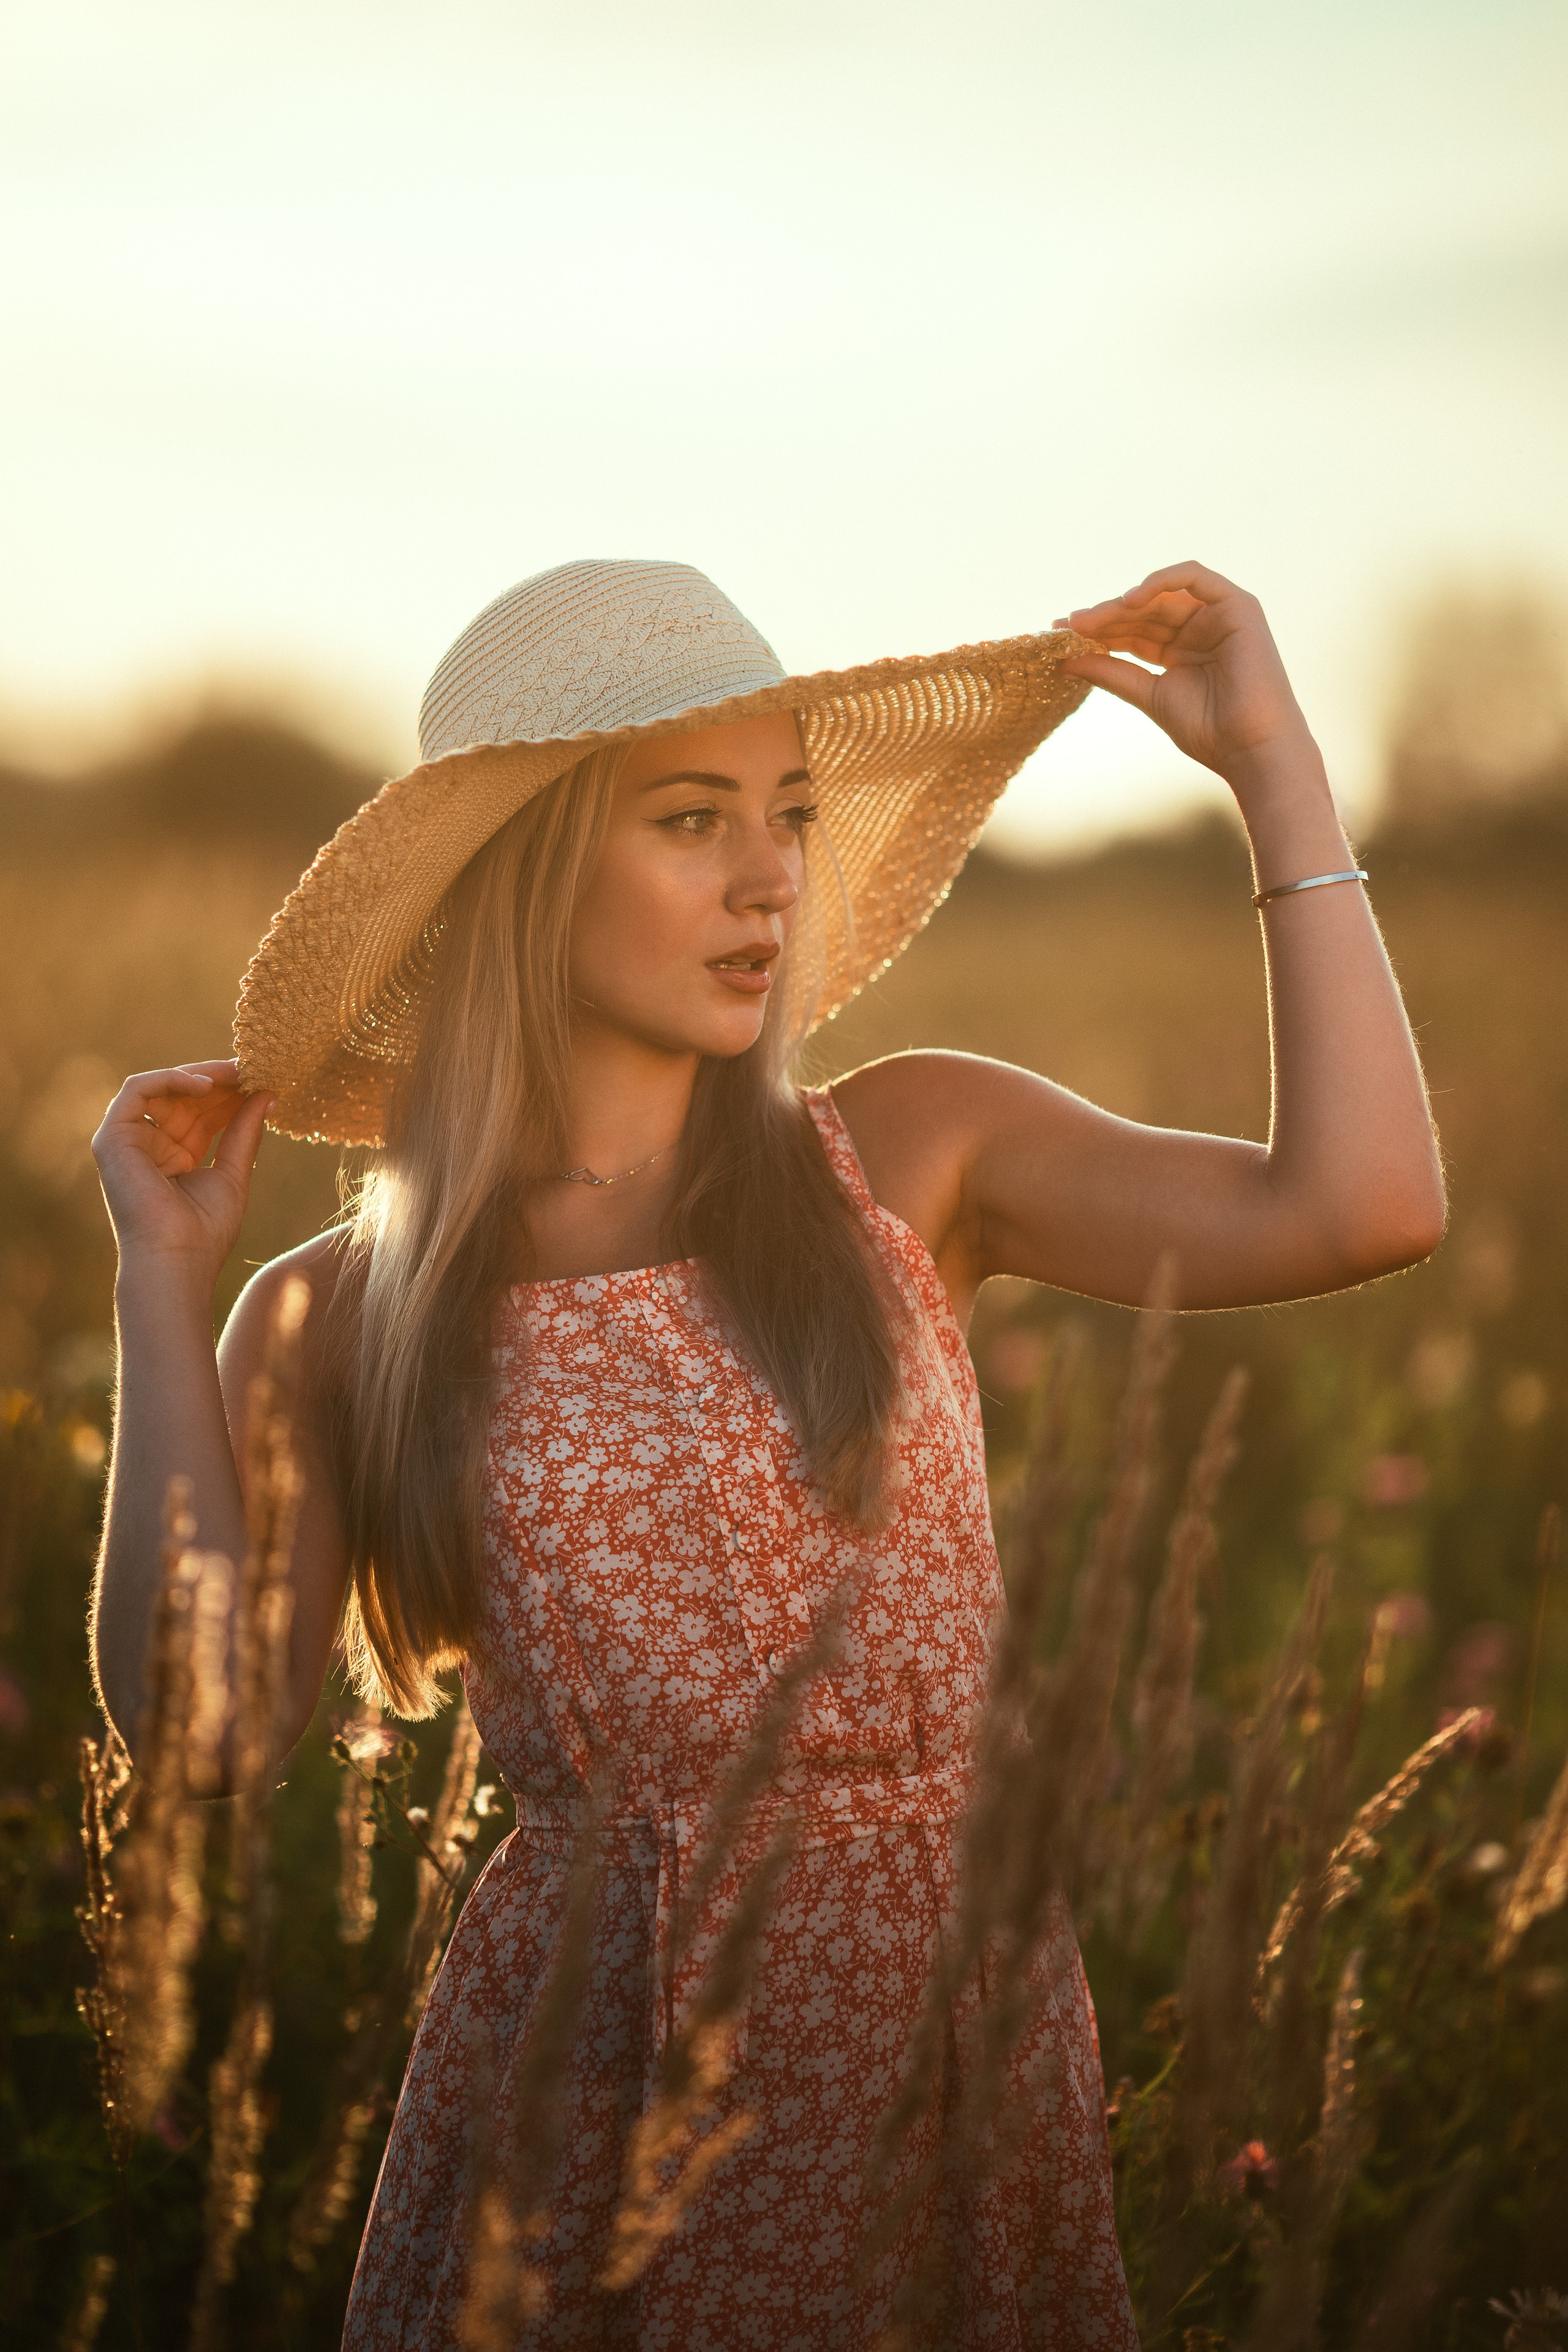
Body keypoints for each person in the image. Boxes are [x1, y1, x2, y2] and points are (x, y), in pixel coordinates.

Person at [89, 556, 1444, 2350]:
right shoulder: (344, 1311)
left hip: (930, 2039)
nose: (770, 877)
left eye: (790, 815)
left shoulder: (909, 1156)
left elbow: (1362, 1206)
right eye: (691, 820)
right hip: (583, 2083)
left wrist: (1276, 767)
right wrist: (161, 1276)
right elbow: (198, 1735)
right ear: (522, 874)